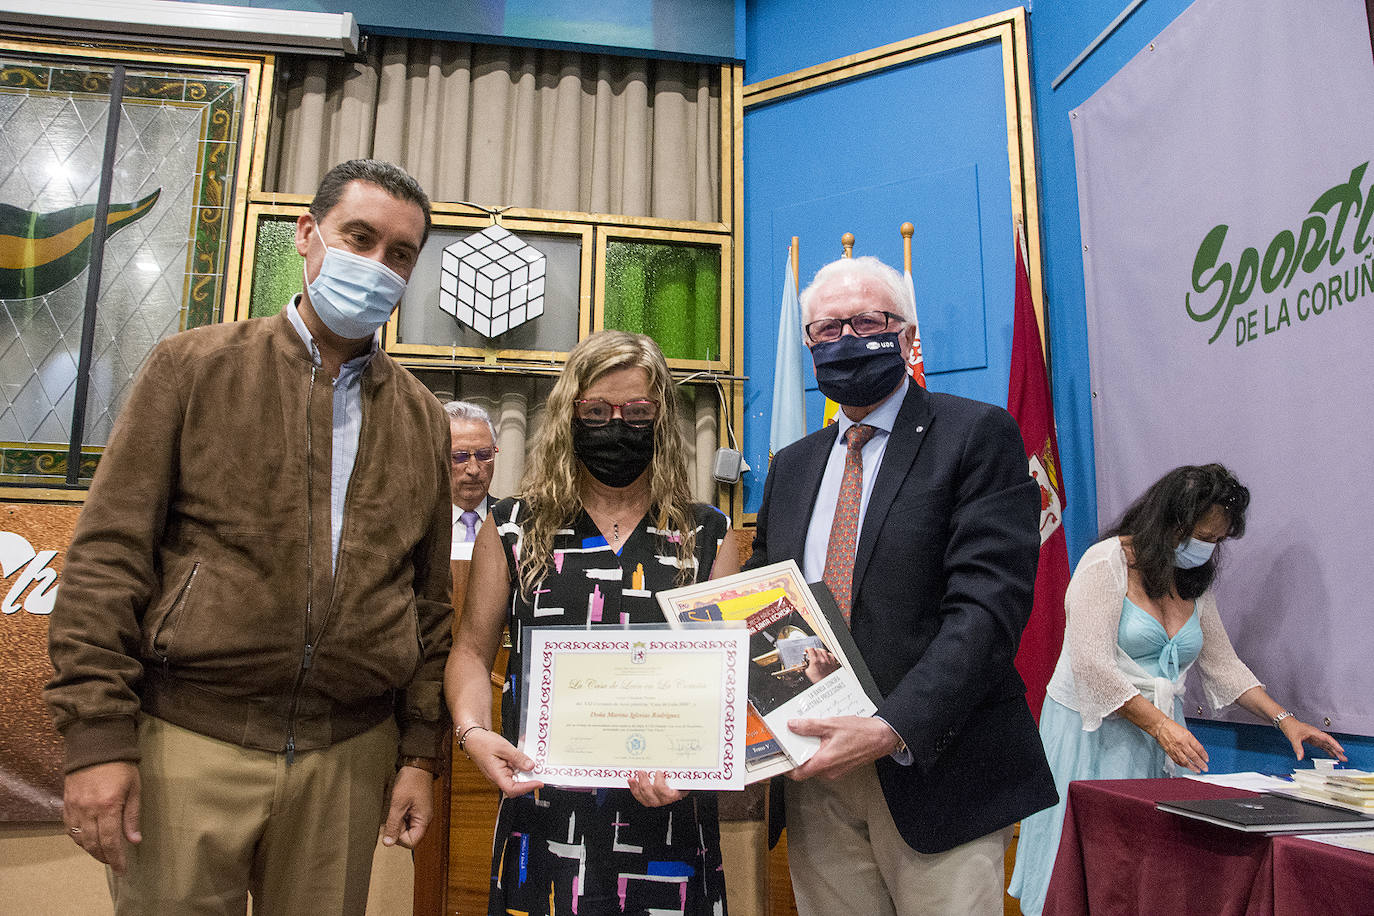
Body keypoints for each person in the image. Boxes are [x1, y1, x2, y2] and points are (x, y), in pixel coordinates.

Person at [44, 159, 454, 915]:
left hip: (348, 754)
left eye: (400, 254)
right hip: (189, 741)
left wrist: (419, 753)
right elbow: (107, 559)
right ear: (307, 235)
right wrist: (97, 736)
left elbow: (427, 602)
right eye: (358, 237)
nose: (377, 265)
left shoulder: (423, 418)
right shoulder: (192, 368)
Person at [746, 255, 1057, 916]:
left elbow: (987, 610)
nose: (845, 340)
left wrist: (891, 726)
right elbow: (765, 605)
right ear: (808, 346)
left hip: (938, 766)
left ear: (908, 336)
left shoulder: (976, 435)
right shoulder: (793, 467)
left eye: (866, 321)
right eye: (826, 330)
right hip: (814, 771)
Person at [445, 329, 740, 916]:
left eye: (637, 413)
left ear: (661, 421)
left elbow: (726, 682)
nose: (617, 427)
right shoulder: (511, 527)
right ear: (568, 415)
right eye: (597, 411)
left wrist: (696, 763)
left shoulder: (707, 534)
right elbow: (472, 654)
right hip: (546, 814)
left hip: (668, 822)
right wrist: (473, 733)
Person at [1008, 463, 1346, 916]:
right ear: (1171, 522)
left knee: (1144, 871)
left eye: (1218, 540)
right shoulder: (1106, 561)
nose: (1209, 549)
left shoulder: (1191, 581)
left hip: (1163, 737)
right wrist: (1161, 726)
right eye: (1205, 536)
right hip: (1092, 735)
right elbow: (1090, 665)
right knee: (1078, 869)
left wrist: (1286, 720)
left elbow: (1223, 665)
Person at [444, 399, 499, 558]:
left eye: (484, 455)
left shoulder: (512, 522)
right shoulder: (419, 524)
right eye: (459, 457)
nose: (473, 470)